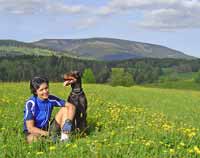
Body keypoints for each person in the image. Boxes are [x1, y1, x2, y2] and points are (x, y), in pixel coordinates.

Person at [23, 76, 76, 143]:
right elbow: (30, 128)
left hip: (48, 128)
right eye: (41, 90)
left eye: (46, 88)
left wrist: (68, 123)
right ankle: (52, 140)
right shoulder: (31, 103)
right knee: (33, 139)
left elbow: (71, 106)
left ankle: (64, 138)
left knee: (65, 109)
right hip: (34, 132)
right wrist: (48, 134)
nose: (45, 91)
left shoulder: (51, 98)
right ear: (35, 92)